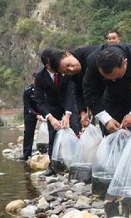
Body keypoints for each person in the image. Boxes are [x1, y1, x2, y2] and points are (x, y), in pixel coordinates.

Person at [83, 44, 131, 135]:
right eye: (109, 78)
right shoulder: (92, 61)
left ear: (125, 63)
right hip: (113, 96)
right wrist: (106, 119)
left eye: (117, 77)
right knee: (112, 132)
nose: (114, 80)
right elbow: (90, 93)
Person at [34, 48, 81, 177]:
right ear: (47, 65)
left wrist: (68, 114)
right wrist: (50, 117)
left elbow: (71, 91)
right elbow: (39, 99)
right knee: (53, 137)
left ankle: (77, 164)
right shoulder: (40, 77)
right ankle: (53, 166)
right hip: (52, 108)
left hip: (69, 106)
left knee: (75, 131)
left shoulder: (65, 71)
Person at [48, 45, 109, 128]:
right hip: (103, 104)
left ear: (68, 54)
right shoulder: (74, 75)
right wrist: (83, 112)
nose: (72, 69)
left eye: (69, 64)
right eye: (66, 71)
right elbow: (78, 91)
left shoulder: (92, 55)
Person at [18, 73, 44, 161]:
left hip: (43, 110)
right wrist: (36, 115)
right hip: (30, 112)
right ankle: (26, 154)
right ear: (33, 80)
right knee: (28, 132)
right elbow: (27, 106)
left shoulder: (45, 89)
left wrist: (45, 113)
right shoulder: (27, 91)